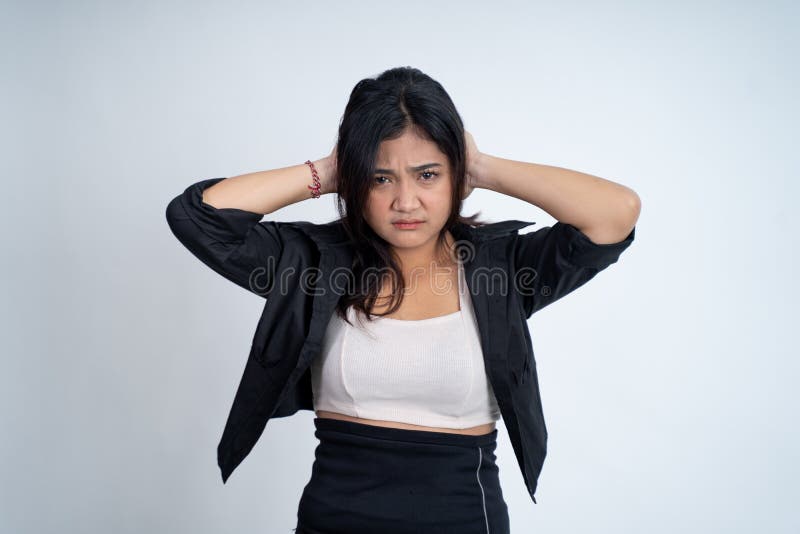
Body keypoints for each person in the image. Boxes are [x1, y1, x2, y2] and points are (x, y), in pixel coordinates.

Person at [165, 66, 639, 534]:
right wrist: (332, 169)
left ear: (456, 175)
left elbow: (615, 214)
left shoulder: (505, 270)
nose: (405, 202)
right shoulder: (312, 266)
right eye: (380, 179)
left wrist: (482, 166)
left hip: (465, 520)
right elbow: (197, 218)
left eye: (428, 174)